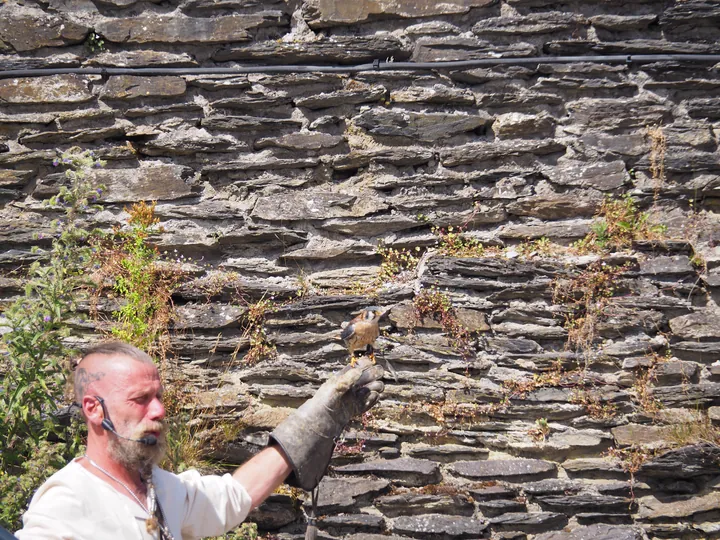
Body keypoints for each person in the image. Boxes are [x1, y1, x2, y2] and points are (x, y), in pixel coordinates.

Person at [15, 341, 384, 539]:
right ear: (94, 410)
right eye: (141, 400)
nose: (158, 411)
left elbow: (232, 497)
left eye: (159, 397)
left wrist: (320, 417)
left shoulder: (157, 487)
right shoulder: (65, 503)